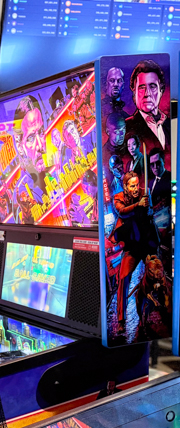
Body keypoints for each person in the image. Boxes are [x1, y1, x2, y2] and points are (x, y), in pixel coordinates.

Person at [111, 171, 160, 333]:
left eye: (137, 184)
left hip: (146, 244)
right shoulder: (118, 197)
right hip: (132, 246)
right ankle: (121, 321)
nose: (136, 188)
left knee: (155, 278)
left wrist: (148, 207)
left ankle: (152, 315)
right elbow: (122, 211)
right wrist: (138, 205)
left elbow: (150, 215)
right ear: (125, 187)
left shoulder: (144, 196)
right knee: (123, 278)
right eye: (132, 185)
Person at [125, 59, 170, 152]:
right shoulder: (125, 128)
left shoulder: (169, 125)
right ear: (134, 94)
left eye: (152, 86)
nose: (147, 93)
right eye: (142, 87)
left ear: (160, 91)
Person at [13, 95, 48, 199]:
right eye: (31, 138)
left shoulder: (53, 174)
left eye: (41, 132)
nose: (40, 145)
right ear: (20, 147)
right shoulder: (22, 194)